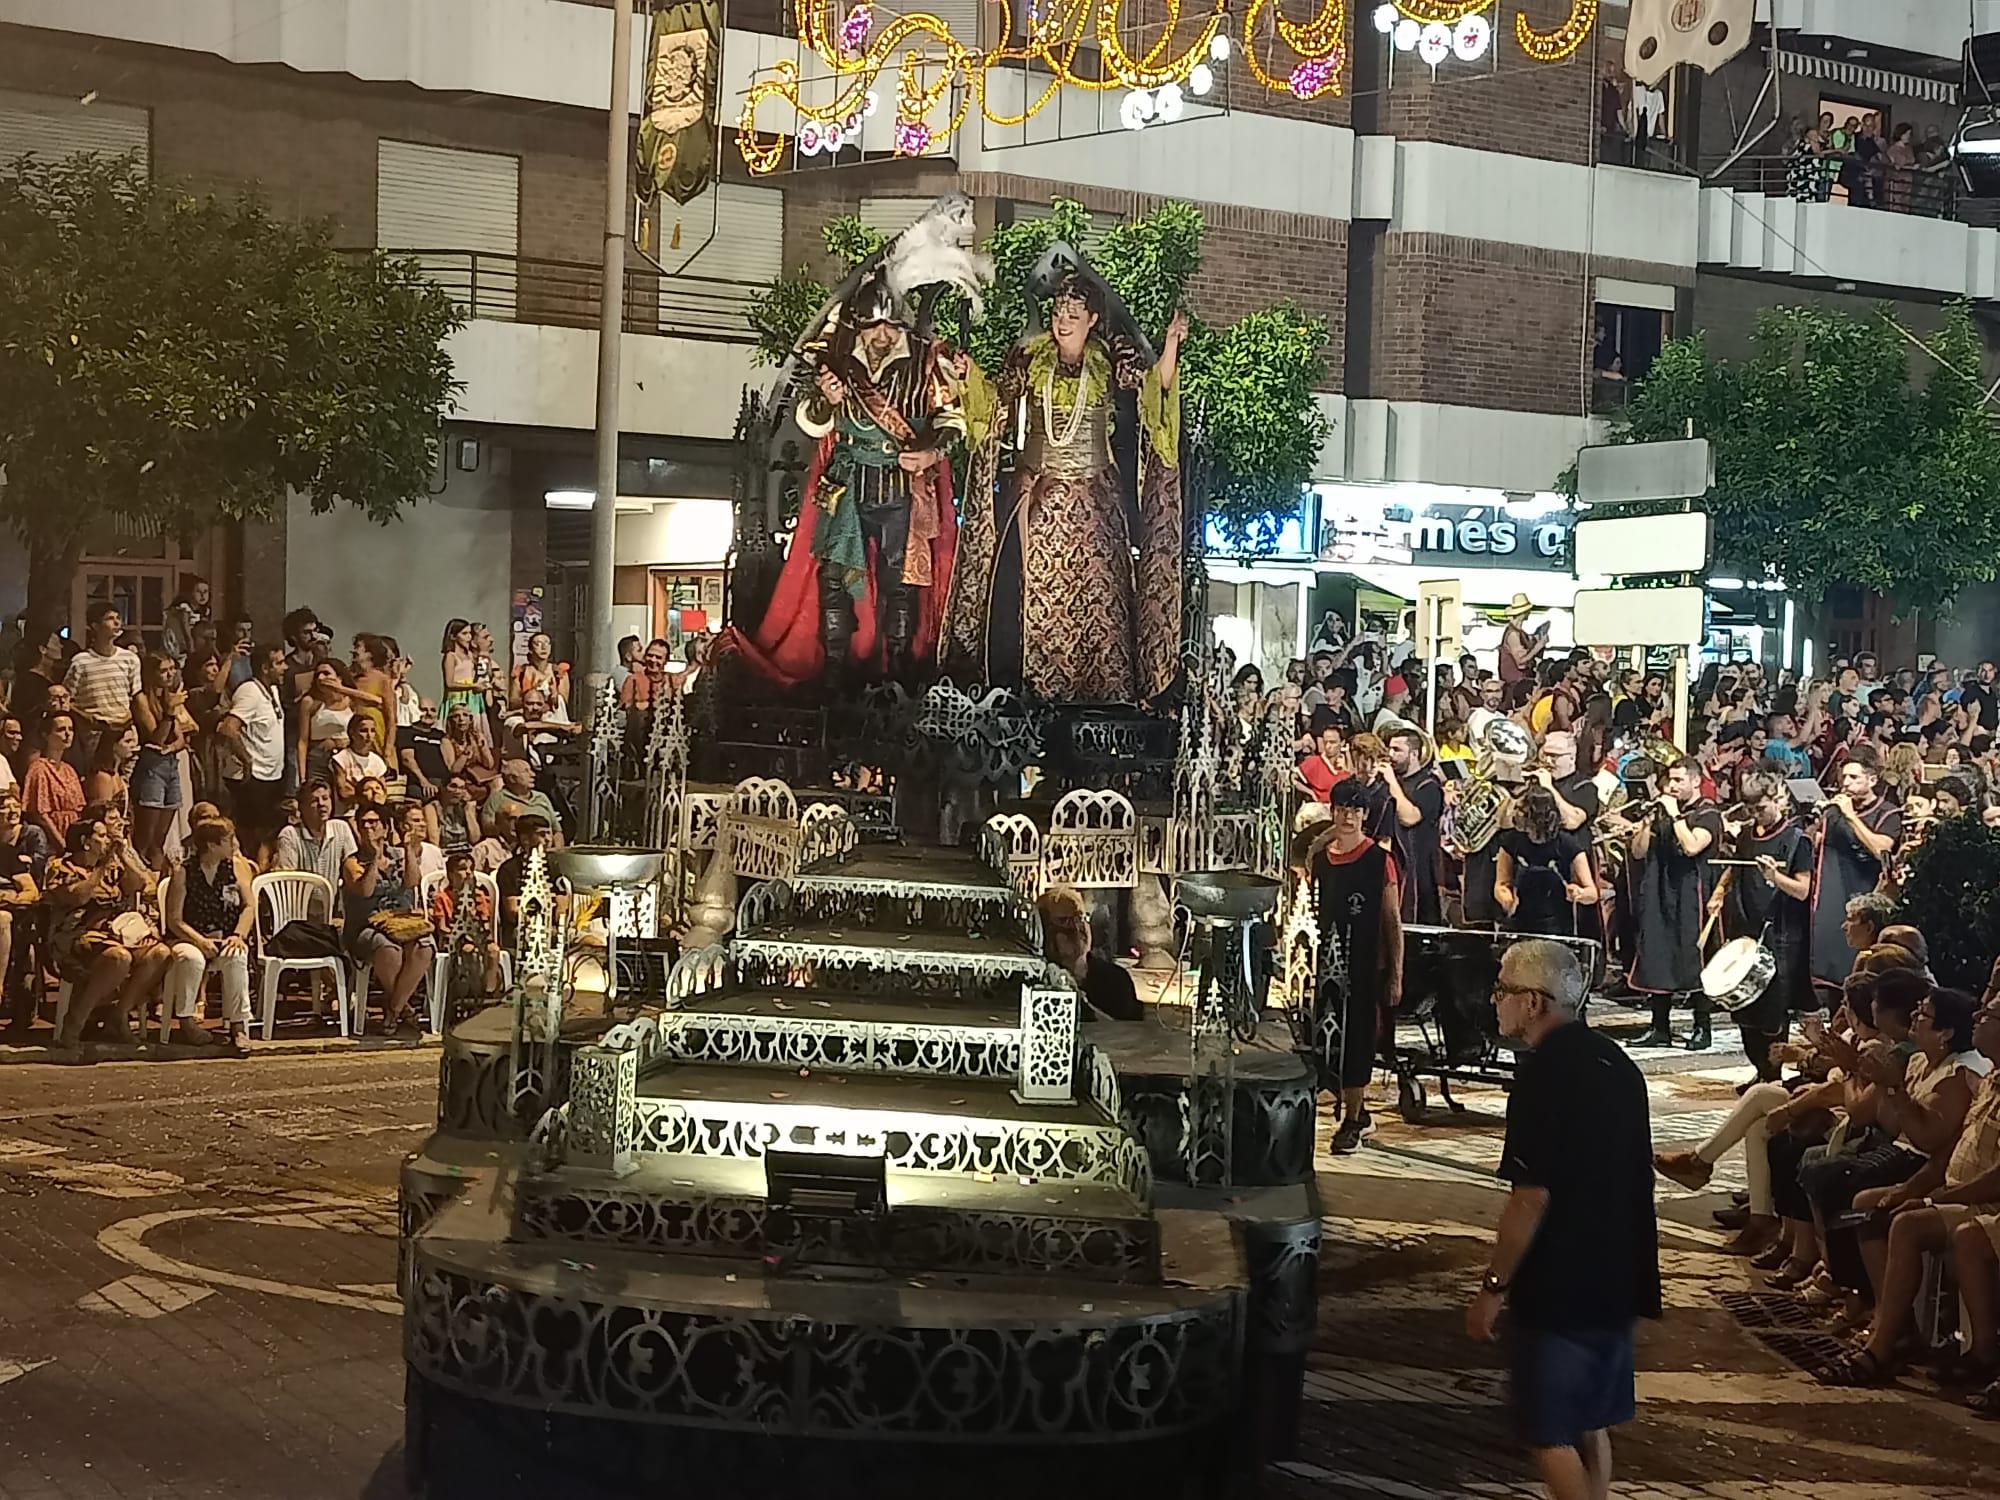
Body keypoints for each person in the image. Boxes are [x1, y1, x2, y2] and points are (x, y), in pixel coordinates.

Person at [1471, 939, 1660, 1500]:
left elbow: (1530, 1197)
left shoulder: (1541, 1076)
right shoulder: (1616, 1062)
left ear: (1533, 1002)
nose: (1494, 1001)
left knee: (1549, 1431)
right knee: (1590, 1419)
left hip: (1562, 1281)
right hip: (1620, 1270)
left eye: (1502, 990)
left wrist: (1492, 1287)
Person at [946, 272, 1185, 703]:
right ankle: (1022, 689)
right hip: (1035, 497)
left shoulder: (1113, 360)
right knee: (1016, 596)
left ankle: (1101, 694)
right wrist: (968, 376)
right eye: (1058, 312)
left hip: (1093, 503)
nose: (1062, 320)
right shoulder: (1028, 359)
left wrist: (1170, 345)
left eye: (1073, 314)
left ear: (1092, 319)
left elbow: (1156, 390)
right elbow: (995, 402)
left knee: (1100, 601)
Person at [737, 272, 967, 685]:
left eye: (888, 325)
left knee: (900, 578)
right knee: (833, 577)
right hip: (846, 483)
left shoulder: (927, 360)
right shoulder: (839, 358)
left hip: (902, 485)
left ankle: (898, 667)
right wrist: (827, 400)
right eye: (873, 325)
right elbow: (813, 425)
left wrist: (932, 451)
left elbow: (952, 418)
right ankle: (835, 665)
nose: (881, 335)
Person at [1820, 990, 2000, 1387]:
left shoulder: (1960, 1076)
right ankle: (1890, 1320)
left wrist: (1934, 1197)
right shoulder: (1990, 1080)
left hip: (1984, 1202)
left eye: (1989, 1015)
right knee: (1869, 1203)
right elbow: (1941, 1150)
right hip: (1949, 1184)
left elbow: (1930, 1140)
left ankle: (1884, 1345)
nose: (1980, 1017)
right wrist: (1909, 1188)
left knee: (1904, 1221)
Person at [1310, 778, 1404, 1155]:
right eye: (1342, 809)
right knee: (1323, 1038)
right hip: (1323, 965)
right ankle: (1351, 1110)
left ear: (1364, 815)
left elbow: (1392, 921)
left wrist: (1396, 972)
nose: (1348, 817)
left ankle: (1352, 1118)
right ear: (1333, 812)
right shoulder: (1321, 859)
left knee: (1357, 1040)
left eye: (1355, 810)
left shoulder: (1380, 861)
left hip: (1363, 965)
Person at [1716, 770, 1815, 1082]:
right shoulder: (1747, 835)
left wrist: (1775, 878)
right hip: (1745, 927)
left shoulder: (1798, 839)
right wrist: (1720, 892)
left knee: (1773, 1010)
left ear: (1780, 799)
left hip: (1781, 934)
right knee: (1744, 1008)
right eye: (1751, 809)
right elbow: (1735, 869)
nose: (1756, 815)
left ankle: (1772, 1075)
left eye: (1762, 808)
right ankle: (1760, 1071)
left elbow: (1802, 890)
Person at [46, 809, 171, 1051]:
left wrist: (122, 854)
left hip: (116, 935)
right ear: (85, 842)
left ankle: (119, 1015)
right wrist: (100, 869)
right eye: (101, 836)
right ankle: (74, 1023)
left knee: (160, 954)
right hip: (75, 939)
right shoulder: (62, 867)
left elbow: (142, 886)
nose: (106, 840)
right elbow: (78, 896)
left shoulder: (114, 867)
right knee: (118, 958)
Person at [1628, 757, 1725, 1050]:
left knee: (1692, 958)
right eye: (1670, 780)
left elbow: (1693, 845)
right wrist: (1646, 823)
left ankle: (1701, 1026)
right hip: (1661, 890)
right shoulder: (1663, 812)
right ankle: (1659, 1027)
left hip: (1691, 893)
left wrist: (1675, 817)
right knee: (1657, 953)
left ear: (1696, 781)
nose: (1672, 786)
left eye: (1679, 780)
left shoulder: (1708, 812)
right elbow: (1637, 852)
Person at [1809, 747, 1902, 1000]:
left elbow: (1881, 849)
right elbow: (1817, 844)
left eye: (1854, 778)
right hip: (1831, 898)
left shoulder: (1889, 812)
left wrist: (1851, 817)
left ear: (1872, 780)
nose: (1846, 783)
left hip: (1865, 896)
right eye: (1844, 778)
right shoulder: (1833, 812)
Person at [163, 815, 258, 1051]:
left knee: (237, 956)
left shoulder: (236, 867)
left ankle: (239, 1026)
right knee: (191, 959)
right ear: (212, 845)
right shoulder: (183, 872)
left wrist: (238, 935)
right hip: (189, 936)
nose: (234, 843)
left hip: (224, 936)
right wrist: (200, 940)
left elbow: (249, 906)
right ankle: (186, 1019)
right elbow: (174, 919)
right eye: (229, 839)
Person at [342, 804, 433, 1037]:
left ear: (385, 826)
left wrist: (409, 849)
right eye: (364, 823)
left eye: (374, 822)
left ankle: (394, 1008)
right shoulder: (352, 862)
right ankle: (404, 1008)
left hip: (401, 923)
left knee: (425, 946)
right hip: (367, 927)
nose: (369, 827)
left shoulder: (398, 855)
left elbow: (412, 882)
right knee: (388, 949)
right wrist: (373, 859)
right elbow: (365, 891)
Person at [1495, 785, 1595, 939]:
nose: (1515, 814)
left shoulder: (1568, 844)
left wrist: (1578, 893)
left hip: (1557, 924)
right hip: (1517, 923)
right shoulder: (1510, 842)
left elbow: (1592, 894)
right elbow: (1501, 883)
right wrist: (1505, 898)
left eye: (1520, 810)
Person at [216, 644, 289, 850]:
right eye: (280, 663)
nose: (285, 667)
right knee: (251, 837)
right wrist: (246, 759)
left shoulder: (273, 690)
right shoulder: (249, 691)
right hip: (252, 778)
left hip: (272, 775)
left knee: (268, 835)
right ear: (265, 668)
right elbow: (229, 728)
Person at [1036, 883, 1141, 1020]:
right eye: (1064, 921)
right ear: (1045, 931)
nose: (1077, 928)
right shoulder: (1039, 982)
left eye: (1080, 918)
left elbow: (1131, 1033)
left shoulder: (1116, 980)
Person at [129, 652, 196, 868]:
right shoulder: (141, 698)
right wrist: (168, 712)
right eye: (163, 670)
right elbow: (155, 737)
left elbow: (179, 739)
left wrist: (171, 745)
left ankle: (158, 885)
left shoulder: (168, 695)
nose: (170, 674)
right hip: (151, 767)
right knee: (145, 839)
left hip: (170, 764)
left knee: (160, 839)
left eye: (172, 669)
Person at [62, 603, 141, 772]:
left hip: (124, 729)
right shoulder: (81, 661)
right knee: (99, 778)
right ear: (95, 626)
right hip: (95, 733)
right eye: (110, 619)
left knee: (124, 781)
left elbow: (135, 696)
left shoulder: (130, 659)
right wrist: (90, 719)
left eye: (118, 618)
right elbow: (67, 699)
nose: (117, 623)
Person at [1381, 724, 1444, 924]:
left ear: (1414, 754)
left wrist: (1392, 783)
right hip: (1395, 863)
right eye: (1389, 749)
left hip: (1419, 869)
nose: (1391, 755)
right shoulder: (1390, 783)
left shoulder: (1429, 785)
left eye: (1397, 750)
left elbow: (1409, 817)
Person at [0, 790, 45, 1036]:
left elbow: (31, 891)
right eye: (4, 808)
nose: (11, 812)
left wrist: (9, 897)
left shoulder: (7, 854)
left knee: (3, 920)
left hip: (14, 919)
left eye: (15, 806)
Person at [430, 846, 501, 999]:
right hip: (454, 939)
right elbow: (442, 927)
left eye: (471, 869)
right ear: (450, 874)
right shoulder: (443, 897)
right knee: (469, 951)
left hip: (477, 935)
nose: (468, 873)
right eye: (462, 869)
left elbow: (485, 922)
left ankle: (489, 991)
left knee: (493, 950)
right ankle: (469, 993)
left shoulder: (479, 896)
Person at [274, 779, 359, 894]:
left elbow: (352, 869)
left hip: (331, 908)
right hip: (298, 908)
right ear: (301, 807)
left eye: (325, 798)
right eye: (314, 800)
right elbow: (286, 882)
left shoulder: (341, 828)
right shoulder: (290, 835)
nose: (321, 804)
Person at [21, 710, 85, 847]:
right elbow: (40, 814)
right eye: (61, 730)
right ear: (46, 735)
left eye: (71, 729)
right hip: (52, 838)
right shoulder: (39, 769)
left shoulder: (69, 769)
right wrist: (61, 843)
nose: (67, 734)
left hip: (72, 835)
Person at [495, 812, 554, 949]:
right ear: (525, 839)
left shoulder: (555, 867)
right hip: (520, 930)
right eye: (542, 834)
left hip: (554, 927)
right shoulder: (509, 869)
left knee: (590, 940)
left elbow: (563, 903)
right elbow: (512, 912)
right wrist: (538, 924)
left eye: (549, 833)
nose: (548, 839)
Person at [482, 759, 563, 847]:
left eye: (531, 770)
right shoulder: (497, 798)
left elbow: (557, 831)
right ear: (512, 778)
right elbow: (487, 829)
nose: (533, 775)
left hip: (546, 848)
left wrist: (557, 852)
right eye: (526, 771)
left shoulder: (542, 797)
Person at [440, 620, 490, 747]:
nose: (468, 638)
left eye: (469, 634)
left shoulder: (470, 655)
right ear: (453, 636)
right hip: (457, 698)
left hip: (473, 698)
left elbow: (483, 673)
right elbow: (449, 683)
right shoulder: (450, 656)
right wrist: (472, 686)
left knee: (476, 730)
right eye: (464, 634)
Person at [332, 715, 390, 811]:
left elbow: (382, 793)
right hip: (348, 813)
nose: (369, 735)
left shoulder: (377, 761)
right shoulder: (341, 758)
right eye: (363, 730)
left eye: (372, 731)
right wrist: (367, 795)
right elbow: (343, 792)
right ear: (352, 733)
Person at [398, 698, 450, 803]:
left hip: (444, 782)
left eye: (432, 710)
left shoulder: (440, 735)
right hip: (419, 783)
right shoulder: (405, 732)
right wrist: (424, 782)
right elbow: (407, 759)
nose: (429, 713)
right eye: (424, 709)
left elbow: (450, 763)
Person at [441, 703, 500, 796]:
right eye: (456, 716)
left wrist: (483, 748)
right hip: (461, 780)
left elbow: (489, 765)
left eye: (465, 715)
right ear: (451, 720)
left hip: (479, 777)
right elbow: (453, 770)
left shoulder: (477, 736)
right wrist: (465, 754)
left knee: (498, 783)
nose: (461, 719)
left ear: (470, 719)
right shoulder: (447, 741)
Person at [512, 631, 570, 718]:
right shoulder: (521, 672)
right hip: (526, 717)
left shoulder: (559, 673)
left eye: (547, 643)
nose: (543, 647)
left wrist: (554, 696)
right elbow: (513, 701)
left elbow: (564, 702)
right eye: (538, 644)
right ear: (530, 649)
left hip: (552, 719)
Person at [84, 723, 136, 818]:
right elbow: (102, 813)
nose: (132, 745)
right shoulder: (103, 777)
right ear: (113, 746)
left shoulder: (118, 774)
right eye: (127, 741)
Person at [1498, 594, 1547, 689]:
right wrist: (1538, 647)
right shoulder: (1513, 634)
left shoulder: (1519, 633)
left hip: (1521, 681)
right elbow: (1520, 662)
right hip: (1516, 684)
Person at [162, 576, 211, 664]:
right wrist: (192, 652)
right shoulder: (184, 608)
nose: (202, 595)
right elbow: (186, 633)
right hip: (181, 646)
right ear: (190, 593)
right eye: (198, 592)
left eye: (205, 592)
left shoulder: (205, 611)